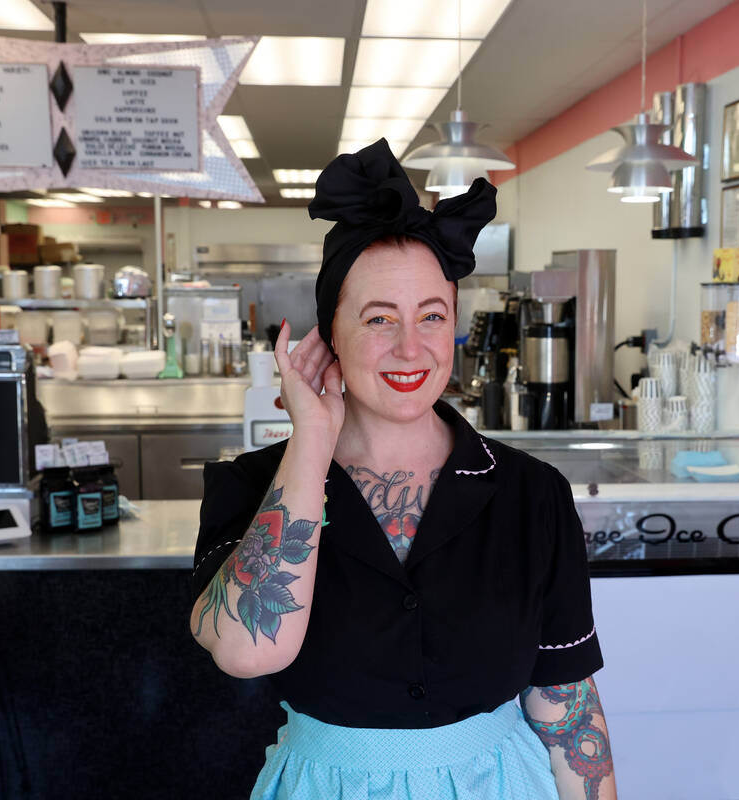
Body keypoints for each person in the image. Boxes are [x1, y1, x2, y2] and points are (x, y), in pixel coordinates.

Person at [190, 139, 616, 800]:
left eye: (432, 317)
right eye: (379, 318)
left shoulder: (535, 495)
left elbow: (566, 702)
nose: (410, 348)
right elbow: (247, 650)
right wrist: (312, 439)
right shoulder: (250, 487)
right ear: (327, 334)